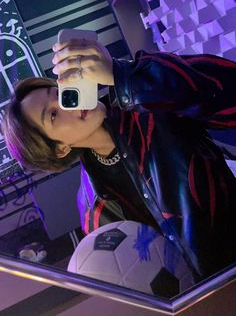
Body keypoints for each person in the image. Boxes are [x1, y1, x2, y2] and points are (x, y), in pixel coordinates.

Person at [1, 34, 236, 281]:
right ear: (60, 149)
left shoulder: (148, 106)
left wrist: (122, 75)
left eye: (57, 92)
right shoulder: (95, 212)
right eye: (52, 115)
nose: (67, 102)